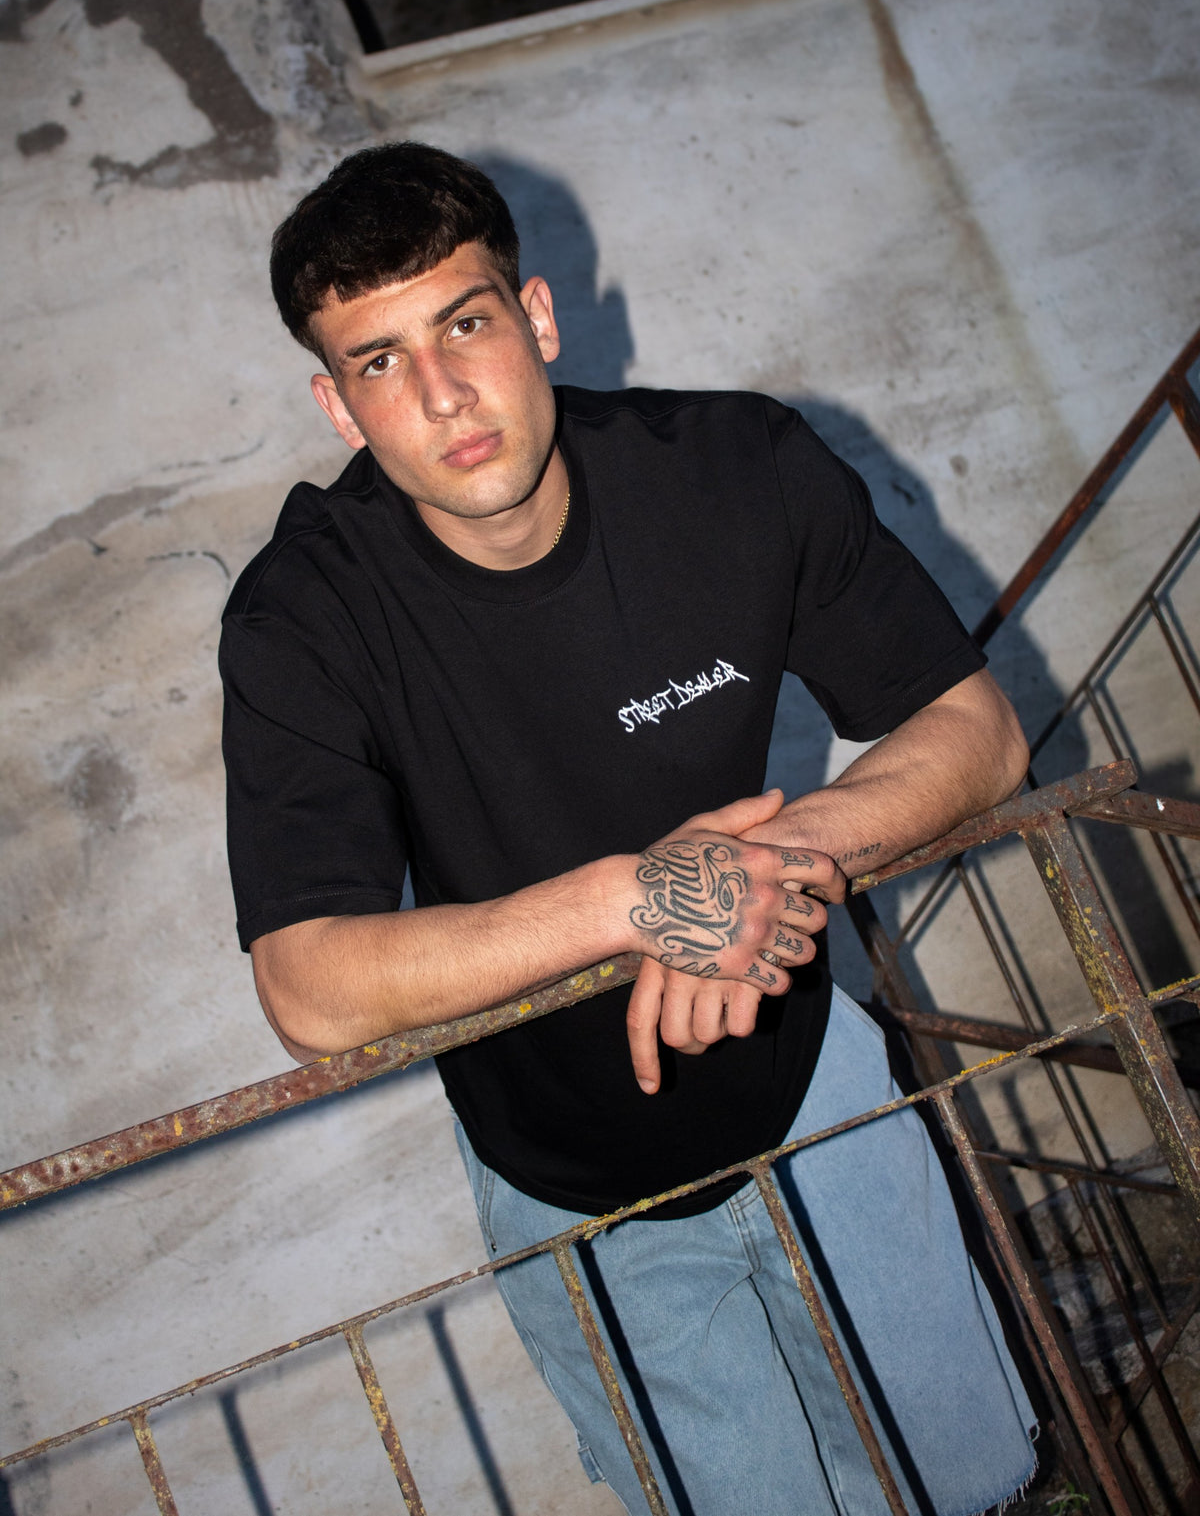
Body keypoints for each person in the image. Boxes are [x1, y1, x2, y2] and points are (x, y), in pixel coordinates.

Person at [220, 142, 1038, 1515]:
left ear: (538, 317)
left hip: (808, 1081)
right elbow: (309, 987)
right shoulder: (304, 617)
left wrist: (750, 873)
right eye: (380, 361)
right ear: (338, 405)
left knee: (973, 1479)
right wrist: (638, 900)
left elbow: (980, 732)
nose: (441, 394)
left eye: (465, 325)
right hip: (569, 1183)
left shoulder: (732, 468)